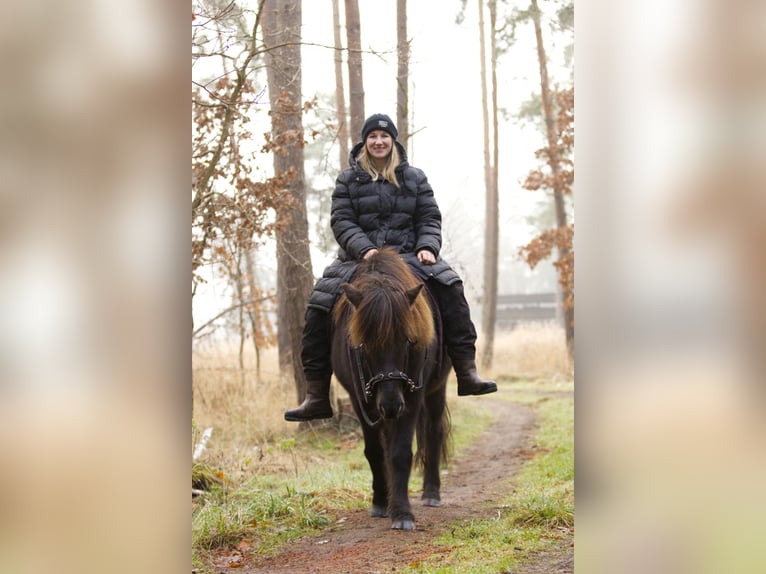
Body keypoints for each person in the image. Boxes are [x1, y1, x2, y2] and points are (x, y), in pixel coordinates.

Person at [285, 113, 496, 422]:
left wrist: (427, 246)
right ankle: (316, 395)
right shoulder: (348, 179)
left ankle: (466, 372)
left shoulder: (415, 178)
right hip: (358, 259)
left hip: (409, 256)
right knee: (319, 305)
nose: (379, 141)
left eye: (385, 137)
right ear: (365, 142)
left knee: (451, 289)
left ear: (393, 141)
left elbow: (429, 218)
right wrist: (364, 248)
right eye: (373, 136)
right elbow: (341, 221)